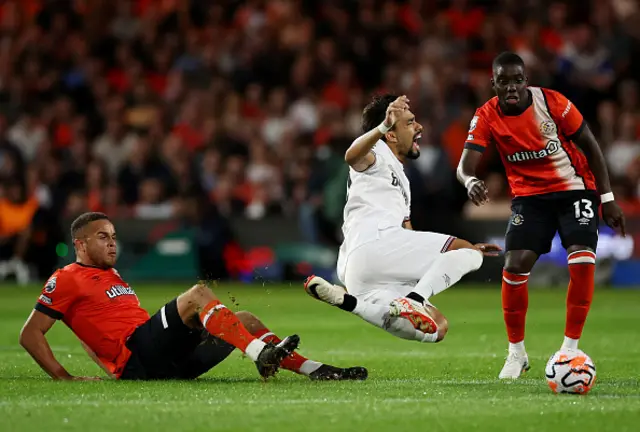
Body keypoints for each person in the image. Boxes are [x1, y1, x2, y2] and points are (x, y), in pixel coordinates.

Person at [19, 212, 367, 381]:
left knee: (245, 320)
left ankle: (315, 370)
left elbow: (89, 333)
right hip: (141, 354)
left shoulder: (110, 275)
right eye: (102, 237)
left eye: (113, 235)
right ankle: (262, 355)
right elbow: (30, 334)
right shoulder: (66, 278)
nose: (112, 242)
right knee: (198, 294)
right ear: (80, 244)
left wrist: (106, 364)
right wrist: (63, 378)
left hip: (164, 362)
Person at [456, 52, 626, 379]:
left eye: (517, 80)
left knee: (581, 258)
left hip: (574, 189)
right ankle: (516, 353)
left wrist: (607, 198)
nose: (511, 87)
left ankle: (570, 349)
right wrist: (471, 180)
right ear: (494, 83)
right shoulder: (486, 115)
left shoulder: (553, 103)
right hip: (530, 198)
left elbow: (591, 146)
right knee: (514, 265)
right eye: (503, 81)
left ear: (525, 81)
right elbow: (465, 166)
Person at [304, 94, 500, 344]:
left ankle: (349, 302)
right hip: (374, 242)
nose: (419, 127)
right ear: (391, 134)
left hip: (359, 271)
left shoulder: (402, 178)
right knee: (471, 255)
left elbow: (408, 233)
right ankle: (414, 300)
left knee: (436, 328)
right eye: (409, 122)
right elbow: (352, 157)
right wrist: (465, 253)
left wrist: (454, 259)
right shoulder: (376, 152)